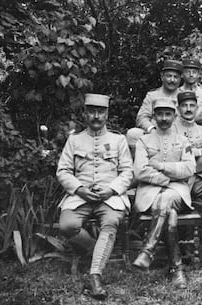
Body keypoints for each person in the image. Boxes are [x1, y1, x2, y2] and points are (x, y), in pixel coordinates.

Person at [56, 94, 133, 299]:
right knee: (67, 225)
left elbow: (127, 172)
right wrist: (80, 189)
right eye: (92, 111)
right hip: (80, 196)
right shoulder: (74, 140)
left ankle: (95, 277)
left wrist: (112, 189)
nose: (96, 116)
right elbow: (63, 171)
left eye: (101, 111)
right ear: (85, 113)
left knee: (111, 222)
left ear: (107, 114)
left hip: (110, 196)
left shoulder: (118, 140)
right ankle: (94, 250)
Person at [132, 98, 196, 289]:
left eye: (168, 114)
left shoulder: (183, 141)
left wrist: (161, 166)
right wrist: (167, 179)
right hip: (150, 192)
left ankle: (148, 250)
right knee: (170, 214)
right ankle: (177, 269)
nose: (163, 118)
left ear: (175, 116)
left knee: (166, 198)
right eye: (159, 114)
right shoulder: (144, 141)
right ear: (153, 116)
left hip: (178, 192)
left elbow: (189, 168)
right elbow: (140, 171)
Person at [126, 59, 183, 157]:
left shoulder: (184, 96)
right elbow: (142, 117)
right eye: (169, 76)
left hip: (177, 135)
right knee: (133, 134)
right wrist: (152, 129)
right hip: (154, 133)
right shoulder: (152, 95)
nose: (172, 80)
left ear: (180, 79)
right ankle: (139, 167)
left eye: (175, 77)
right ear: (162, 76)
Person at [173, 91, 202, 203]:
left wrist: (188, 153)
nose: (188, 109)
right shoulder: (171, 129)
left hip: (200, 177)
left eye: (192, 105)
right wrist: (199, 151)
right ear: (178, 108)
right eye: (184, 106)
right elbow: (174, 155)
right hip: (178, 177)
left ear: (197, 108)